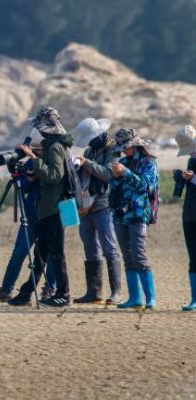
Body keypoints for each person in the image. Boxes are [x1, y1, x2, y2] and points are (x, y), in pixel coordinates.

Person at [0, 141, 57, 303]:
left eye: (38, 150)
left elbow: (54, 180)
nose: (36, 152)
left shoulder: (54, 161)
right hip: (31, 216)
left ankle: (50, 289)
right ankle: (6, 289)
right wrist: (19, 175)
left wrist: (39, 174)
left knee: (52, 255)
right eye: (34, 150)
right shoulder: (30, 163)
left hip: (49, 215)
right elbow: (23, 187)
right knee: (18, 253)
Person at [17, 106, 74, 307]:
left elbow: (54, 175)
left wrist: (34, 159)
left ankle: (63, 294)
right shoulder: (54, 145)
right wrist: (36, 172)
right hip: (50, 206)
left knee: (56, 253)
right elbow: (52, 175)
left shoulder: (55, 147)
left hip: (54, 207)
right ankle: (26, 292)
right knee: (41, 253)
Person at [73, 118, 123, 305]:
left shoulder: (113, 150)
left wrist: (86, 163)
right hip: (86, 206)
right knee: (90, 249)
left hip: (103, 205)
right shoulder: (89, 151)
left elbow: (108, 174)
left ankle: (116, 292)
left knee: (109, 248)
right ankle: (93, 292)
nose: (89, 143)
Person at [109, 128, 158, 310]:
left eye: (125, 147)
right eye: (121, 148)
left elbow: (145, 186)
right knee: (128, 258)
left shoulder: (148, 163)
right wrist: (115, 176)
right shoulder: (123, 162)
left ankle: (150, 299)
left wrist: (126, 173)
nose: (123, 151)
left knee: (139, 256)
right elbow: (114, 187)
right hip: (120, 215)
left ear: (135, 145)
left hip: (138, 214)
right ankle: (135, 298)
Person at [174, 125, 196, 311]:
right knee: (193, 258)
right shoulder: (191, 160)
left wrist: (193, 179)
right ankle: (194, 299)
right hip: (189, 214)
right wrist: (183, 179)